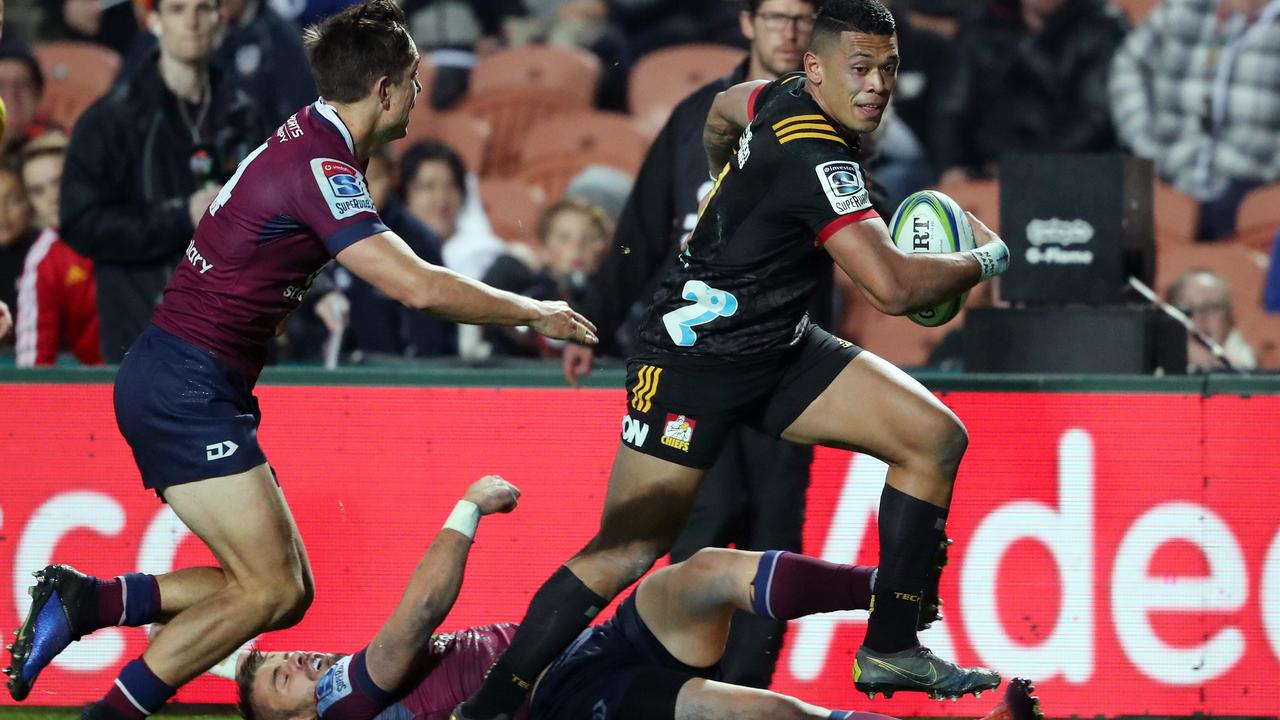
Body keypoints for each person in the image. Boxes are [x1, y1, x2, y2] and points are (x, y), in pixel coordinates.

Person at [3, 2, 595, 719]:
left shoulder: (314, 139)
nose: (417, 95)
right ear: (383, 88)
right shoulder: (320, 165)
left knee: (286, 589)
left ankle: (91, 599)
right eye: (411, 81)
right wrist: (535, 311)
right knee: (270, 591)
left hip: (190, 379)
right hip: (183, 385)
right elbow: (415, 285)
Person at [457, 2, 1012, 717]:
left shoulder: (775, 96)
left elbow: (722, 110)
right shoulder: (817, 155)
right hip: (692, 362)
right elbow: (896, 286)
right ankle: (491, 705)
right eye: (861, 68)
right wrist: (986, 257)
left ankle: (891, 641)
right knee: (629, 549)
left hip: (777, 344)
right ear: (815, 68)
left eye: (890, 69)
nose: (877, 85)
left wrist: (729, 185)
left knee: (935, 437)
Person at [565, 0, 832, 689]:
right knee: (700, 528)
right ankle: (690, 691)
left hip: (785, 360)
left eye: (803, 18)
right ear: (746, 23)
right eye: (777, 16)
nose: (790, 31)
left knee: (774, 537)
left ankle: (741, 697)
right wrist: (592, 319)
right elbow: (641, 230)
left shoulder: (831, 127)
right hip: (695, 362)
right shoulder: (698, 119)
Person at [60, 0, 269, 363]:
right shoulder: (110, 122)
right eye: (177, 9)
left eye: (203, 9)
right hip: (142, 337)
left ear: (220, 20)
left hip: (234, 341)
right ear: (152, 21)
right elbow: (80, 222)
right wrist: (181, 216)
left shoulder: (245, 117)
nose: (192, 22)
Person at [1109, 0, 1280, 240]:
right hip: (1167, 176)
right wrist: (1143, 141)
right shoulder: (1182, 9)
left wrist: (1271, 169)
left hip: (1254, 188)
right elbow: (1128, 66)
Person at [933, 0, 1127, 186]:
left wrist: (1025, 166)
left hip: (1072, 173)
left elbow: (1096, 116)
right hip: (988, 174)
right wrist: (953, 165)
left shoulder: (1099, 29)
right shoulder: (980, 28)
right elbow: (952, 108)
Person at [14, 130, 102, 366]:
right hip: (107, 386)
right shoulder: (43, 262)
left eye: (58, 181)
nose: (51, 197)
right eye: (37, 190)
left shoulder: (133, 224)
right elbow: (32, 368)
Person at [482, 197, 611, 358]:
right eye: (564, 238)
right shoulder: (530, 296)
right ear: (545, 248)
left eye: (590, 238)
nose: (577, 247)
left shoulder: (613, 304)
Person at [1165, 268, 1258, 372]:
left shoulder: (1250, 377)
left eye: (1212, 307)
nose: (1199, 318)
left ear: (1229, 320)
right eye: (1187, 308)